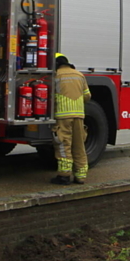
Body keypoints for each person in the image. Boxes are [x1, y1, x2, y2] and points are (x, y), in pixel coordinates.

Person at [50, 53, 92, 185]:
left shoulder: (56, 76)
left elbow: (50, 97)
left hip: (63, 116)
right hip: (79, 116)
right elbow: (87, 96)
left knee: (63, 144)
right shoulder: (79, 75)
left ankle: (64, 175)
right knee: (79, 145)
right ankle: (80, 176)